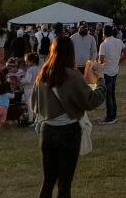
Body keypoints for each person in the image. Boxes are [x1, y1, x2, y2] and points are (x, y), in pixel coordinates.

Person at [33, 35, 106, 198]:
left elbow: (35, 104)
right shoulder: (72, 75)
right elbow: (91, 101)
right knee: (64, 184)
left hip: (48, 131)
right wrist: (100, 79)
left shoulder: (43, 73)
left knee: (48, 181)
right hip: (68, 131)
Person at [97, 25, 126, 124]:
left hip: (106, 72)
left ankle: (110, 117)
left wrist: (96, 68)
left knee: (108, 95)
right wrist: (118, 61)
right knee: (112, 93)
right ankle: (114, 114)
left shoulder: (103, 44)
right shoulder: (118, 41)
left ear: (104, 33)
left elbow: (101, 60)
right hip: (115, 70)